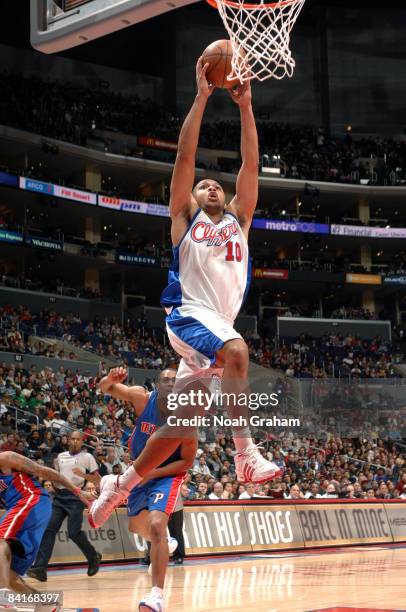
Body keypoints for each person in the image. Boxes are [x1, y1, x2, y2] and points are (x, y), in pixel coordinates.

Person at [89, 57, 282, 530]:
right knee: (238, 349)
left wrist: (246, 106)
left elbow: (251, 163)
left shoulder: (240, 220)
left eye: (218, 184)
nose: (212, 186)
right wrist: (201, 97)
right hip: (188, 315)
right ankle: (245, 455)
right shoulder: (184, 221)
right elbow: (184, 159)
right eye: (205, 186)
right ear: (192, 198)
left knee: (180, 427)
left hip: (213, 327)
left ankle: (121, 485)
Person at [90, 367, 196, 612]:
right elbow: (104, 389)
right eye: (166, 380)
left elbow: (187, 462)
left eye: (175, 381)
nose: (171, 384)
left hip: (166, 476)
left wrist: (154, 473)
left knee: (158, 525)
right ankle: (163, 541)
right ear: (157, 384)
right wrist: (110, 380)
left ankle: (156, 596)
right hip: (137, 472)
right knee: (136, 526)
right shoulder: (142, 398)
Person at [0, 450, 91, 610]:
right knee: (10, 575)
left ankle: (2, 596)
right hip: (24, 510)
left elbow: (43, 471)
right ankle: (46, 606)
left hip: (31, 500)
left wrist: (76, 491)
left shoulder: (5, 458)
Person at [27, 431, 101, 582]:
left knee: (73, 532)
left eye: (77, 439)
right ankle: (40, 568)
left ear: (82, 441)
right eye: (72, 439)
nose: (74, 442)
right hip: (60, 497)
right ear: (68, 441)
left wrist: (84, 475)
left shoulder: (88, 457)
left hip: (76, 496)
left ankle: (93, 556)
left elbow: (98, 479)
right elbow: (57, 476)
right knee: (49, 529)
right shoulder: (60, 457)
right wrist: (54, 484)